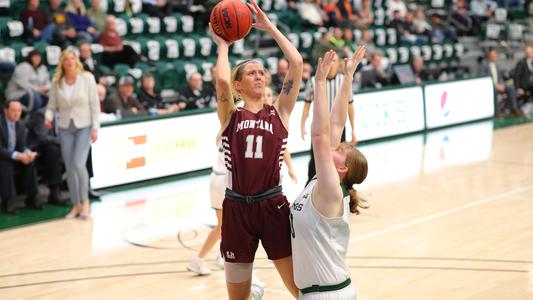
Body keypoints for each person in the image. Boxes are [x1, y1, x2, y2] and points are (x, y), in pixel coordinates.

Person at [209, 0, 303, 298]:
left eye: (262, 72)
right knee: (237, 297)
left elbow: (297, 64)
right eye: (251, 73)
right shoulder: (230, 116)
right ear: (238, 86)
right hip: (236, 207)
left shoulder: (280, 112)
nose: (259, 75)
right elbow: (222, 79)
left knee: (297, 289)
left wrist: (269, 26)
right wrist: (223, 46)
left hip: (272, 206)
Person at [291, 48, 368, 299]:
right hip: (321, 293)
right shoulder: (324, 181)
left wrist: (320, 83)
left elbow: (320, 135)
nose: (337, 145)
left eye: (341, 150)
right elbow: (336, 123)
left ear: (342, 169)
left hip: (327, 295)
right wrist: (347, 78)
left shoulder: (331, 189)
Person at [45, 49, 100, 220]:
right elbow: (51, 106)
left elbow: (95, 105)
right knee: (69, 167)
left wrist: (95, 127)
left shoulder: (87, 79)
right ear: (62, 63)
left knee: (78, 163)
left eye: (72, 58)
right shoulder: (57, 82)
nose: (69, 62)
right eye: (66, 59)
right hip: (65, 127)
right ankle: (76, 205)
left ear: (76, 61)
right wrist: (47, 118)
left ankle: (85, 202)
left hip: (84, 125)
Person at [300, 51, 357, 185]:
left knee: (340, 159)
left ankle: (340, 185)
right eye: (329, 61)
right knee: (315, 160)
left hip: (339, 127)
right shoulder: (314, 81)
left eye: (334, 61)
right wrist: (302, 125)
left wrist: (354, 130)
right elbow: (306, 105)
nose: (331, 64)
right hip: (320, 128)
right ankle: (310, 186)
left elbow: (350, 106)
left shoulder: (343, 80)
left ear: (339, 64)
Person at [0, 100, 40, 214]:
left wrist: (28, 153)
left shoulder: (20, 125)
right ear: (6, 111)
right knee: (5, 163)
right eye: (13, 110)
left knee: (30, 162)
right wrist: (17, 155)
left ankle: (31, 198)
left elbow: (22, 146)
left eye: (19, 111)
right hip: (3, 157)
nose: (16, 113)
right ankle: (7, 202)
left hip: (14, 156)